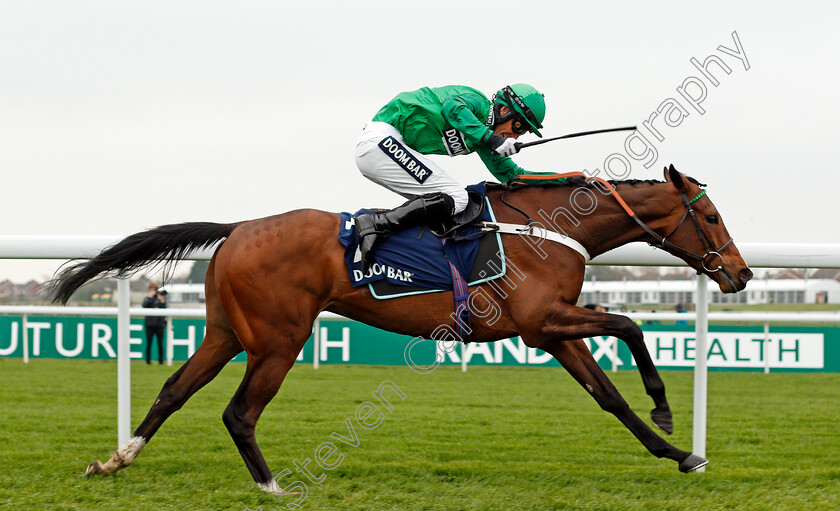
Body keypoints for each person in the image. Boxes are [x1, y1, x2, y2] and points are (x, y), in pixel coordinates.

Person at [354, 84, 547, 271]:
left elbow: (512, 176)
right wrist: (491, 139)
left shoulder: (480, 139)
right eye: (518, 125)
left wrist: (568, 179)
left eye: (522, 132)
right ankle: (375, 224)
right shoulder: (477, 102)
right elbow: (452, 107)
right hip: (380, 140)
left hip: (386, 149)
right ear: (504, 110)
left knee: (449, 200)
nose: (515, 136)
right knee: (458, 197)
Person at [142, 282, 167, 364]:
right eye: (152, 290)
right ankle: (148, 361)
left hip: (160, 325)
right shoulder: (148, 298)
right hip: (149, 325)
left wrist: (162, 299)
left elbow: (164, 308)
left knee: (160, 344)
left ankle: (161, 361)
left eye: (155, 290)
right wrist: (150, 297)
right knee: (149, 344)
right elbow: (144, 305)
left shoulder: (160, 298)